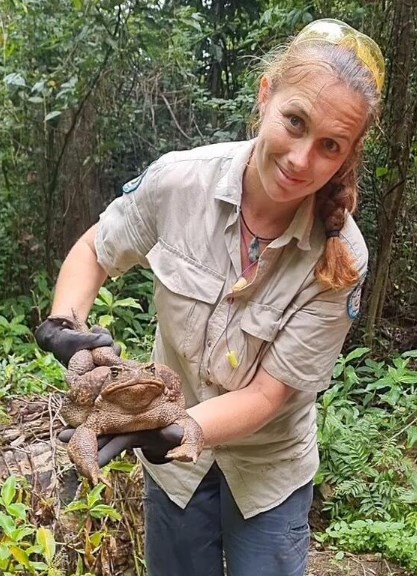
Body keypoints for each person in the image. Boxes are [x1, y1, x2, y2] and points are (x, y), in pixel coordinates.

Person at [35, 18, 385, 576]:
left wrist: (181, 427)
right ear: (265, 94)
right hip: (174, 471)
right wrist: (65, 322)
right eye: (294, 122)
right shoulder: (179, 182)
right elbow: (96, 250)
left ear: (347, 154)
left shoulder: (340, 257)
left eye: (329, 146)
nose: (300, 159)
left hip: (267, 470)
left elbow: (270, 396)